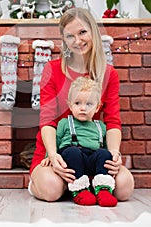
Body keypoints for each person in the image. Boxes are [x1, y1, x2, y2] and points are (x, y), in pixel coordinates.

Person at [29, 7, 134, 202]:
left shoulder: (108, 73)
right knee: (51, 190)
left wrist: (114, 154)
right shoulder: (51, 69)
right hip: (58, 150)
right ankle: (54, 183)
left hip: (93, 153)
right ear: (64, 40)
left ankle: (82, 184)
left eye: (82, 32)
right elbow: (48, 121)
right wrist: (52, 155)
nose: (77, 41)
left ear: (93, 31)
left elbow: (112, 122)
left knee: (125, 188)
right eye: (70, 36)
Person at [42, 76, 118, 207]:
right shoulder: (65, 123)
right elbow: (56, 140)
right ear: (70, 105)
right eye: (78, 103)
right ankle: (80, 190)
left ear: (97, 107)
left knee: (104, 154)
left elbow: (105, 147)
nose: (83, 108)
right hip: (72, 159)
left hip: (91, 159)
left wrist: (113, 157)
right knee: (72, 152)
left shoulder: (100, 126)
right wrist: (49, 156)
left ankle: (103, 190)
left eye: (89, 104)